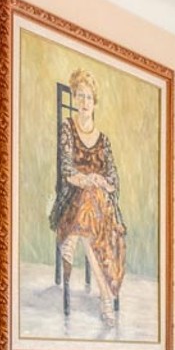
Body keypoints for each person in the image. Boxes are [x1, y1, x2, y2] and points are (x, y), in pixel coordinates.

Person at [48, 67, 126, 323]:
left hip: (101, 209)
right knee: (88, 201)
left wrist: (99, 180)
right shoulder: (67, 128)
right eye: (79, 96)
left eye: (88, 97)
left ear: (95, 103)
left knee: (93, 204)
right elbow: (66, 169)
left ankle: (72, 238)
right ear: (74, 98)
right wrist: (86, 180)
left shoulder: (103, 141)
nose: (83, 102)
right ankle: (105, 298)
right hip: (72, 199)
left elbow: (114, 179)